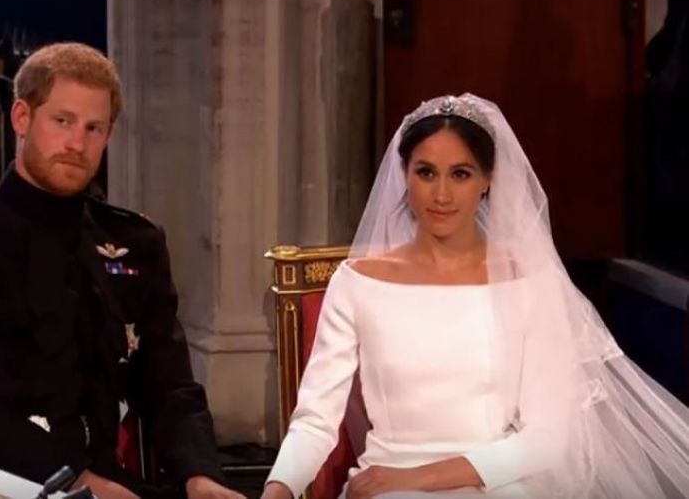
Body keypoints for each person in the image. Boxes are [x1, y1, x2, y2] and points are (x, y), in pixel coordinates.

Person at [261, 94, 689, 498]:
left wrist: (422, 477)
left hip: (497, 482)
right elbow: (316, 420)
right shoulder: (357, 283)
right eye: (425, 172)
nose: (441, 194)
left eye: (460, 174)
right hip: (386, 487)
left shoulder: (528, 282)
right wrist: (276, 488)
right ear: (404, 174)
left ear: (487, 180)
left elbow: (549, 439)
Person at [0, 42, 243, 499]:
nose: (77, 143)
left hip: (106, 484)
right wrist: (74, 478)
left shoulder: (134, 242)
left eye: (93, 127)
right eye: (62, 121)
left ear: (109, 135)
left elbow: (169, 383)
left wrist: (202, 477)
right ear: (22, 118)